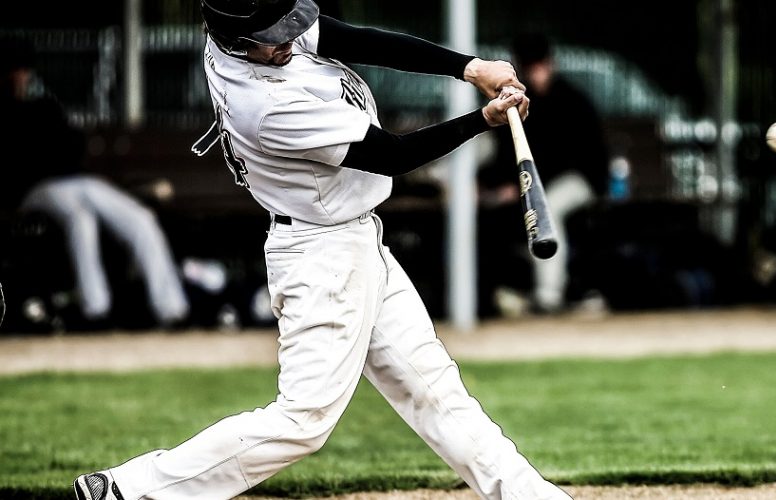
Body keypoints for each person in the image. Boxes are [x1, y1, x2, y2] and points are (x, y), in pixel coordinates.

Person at [72, 1, 568, 499]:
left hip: (355, 240)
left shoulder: (249, 37)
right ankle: (128, 490)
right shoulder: (265, 106)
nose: (289, 38)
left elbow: (356, 40)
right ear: (237, 43)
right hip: (322, 257)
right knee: (303, 420)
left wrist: (469, 67)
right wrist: (482, 119)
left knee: (436, 392)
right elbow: (390, 156)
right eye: (274, 35)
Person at [0, 35, 189, 328]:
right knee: (80, 218)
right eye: (14, 70)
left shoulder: (43, 107)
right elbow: (23, 163)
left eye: (22, 70)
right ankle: (96, 310)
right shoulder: (6, 111)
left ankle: (173, 310)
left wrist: (47, 149)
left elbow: (72, 146)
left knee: (140, 217)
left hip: (76, 181)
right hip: (35, 190)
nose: (20, 76)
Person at [479, 32, 611, 314]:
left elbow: (578, 159)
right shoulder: (516, 102)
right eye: (530, 68)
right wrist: (501, 185)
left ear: (550, 64)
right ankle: (498, 291)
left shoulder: (572, 100)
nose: (537, 74)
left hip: (582, 180)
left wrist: (519, 186)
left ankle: (548, 296)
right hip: (533, 181)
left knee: (546, 206)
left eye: (541, 66)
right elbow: (507, 153)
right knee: (499, 212)